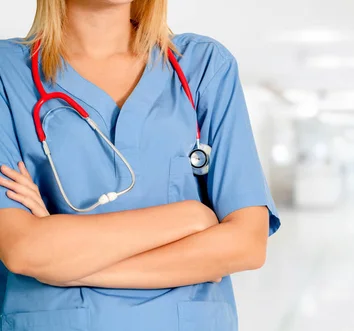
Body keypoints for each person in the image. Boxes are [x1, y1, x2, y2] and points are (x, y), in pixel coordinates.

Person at [0, 1, 280, 330]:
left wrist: (63, 266)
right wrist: (190, 217)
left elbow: (246, 243)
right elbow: (23, 249)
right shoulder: (8, 72)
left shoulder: (203, 67)